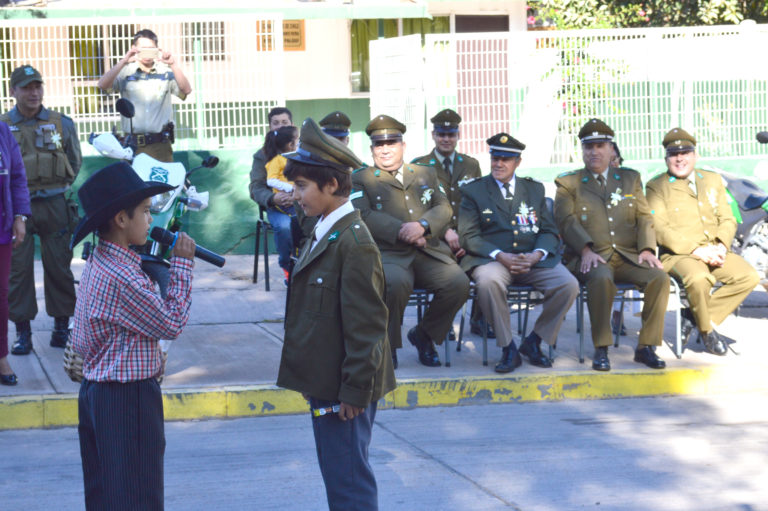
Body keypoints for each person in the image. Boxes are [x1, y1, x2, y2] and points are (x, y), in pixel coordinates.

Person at [277, 118, 395, 510]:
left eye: (302, 186)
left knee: (348, 485)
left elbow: (368, 328)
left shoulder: (354, 242)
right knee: (338, 478)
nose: (295, 195)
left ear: (332, 186)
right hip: (327, 379)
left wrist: (355, 392)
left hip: (345, 388)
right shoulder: (322, 228)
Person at [70, 161, 195, 510]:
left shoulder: (101, 262)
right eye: (144, 211)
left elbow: (81, 341)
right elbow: (170, 322)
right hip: (128, 399)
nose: (150, 220)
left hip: (97, 392)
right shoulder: (123, 277)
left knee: (107, 494)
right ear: (121, 220)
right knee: (138, 495)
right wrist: (182, 265)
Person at [351, 114, 469, 368]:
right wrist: (404, 230)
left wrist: (423, 226)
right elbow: (363, 214)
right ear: (372, 149)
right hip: (389, 253)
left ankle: (425, 335)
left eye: (391, 143)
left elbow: (443, 207)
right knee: (394, 284)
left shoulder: (425, 173)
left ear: (403, 146)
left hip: (427, 251)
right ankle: (388, 344)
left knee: (459, 283)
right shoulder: (361, 178)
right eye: (379, 145)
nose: (385, 150)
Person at [554, 118, 670, 371]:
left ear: (611, 149)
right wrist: (585, 248)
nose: (594, 152)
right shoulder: (569, 183)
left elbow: (643, 216)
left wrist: (648, 249)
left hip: (628, 256)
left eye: (600, 146)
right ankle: (602, 348)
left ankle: (646, 347)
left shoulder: (629, 179)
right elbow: (566, 221)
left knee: (659, 279)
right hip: (591, 256)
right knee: (601, 278)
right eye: (589, 147)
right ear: (582, 151)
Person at [458, 133, 578, 372]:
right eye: (495, 157)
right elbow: (468, 235)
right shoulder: (474, 191)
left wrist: (537, 254)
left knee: (568, 284)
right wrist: (499, 255)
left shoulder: (533, 189)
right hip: (494, 260)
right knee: (488, 282)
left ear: (517, 162)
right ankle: (508, 347)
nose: (498, 163)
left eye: (505, 159)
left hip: (530, 259)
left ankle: (534, 341)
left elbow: (547, 230)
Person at [646, 128, 759, 355]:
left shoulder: (711, 180)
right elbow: (660, 229)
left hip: (714, 250)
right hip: (679, 255)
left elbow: (727, 218)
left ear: (695, 155)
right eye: (673, 154)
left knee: (749, 276)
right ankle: (707, 331)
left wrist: (720, 245)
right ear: (666, 158)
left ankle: (692, 316)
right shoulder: (656, 186)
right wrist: (697, 250)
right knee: (698, 278)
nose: (680, 158)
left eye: (685, 152)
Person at [1, 65, 80, 355]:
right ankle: (23, 333)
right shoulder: (3, 125)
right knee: (17, 270)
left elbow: (74, 161)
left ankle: (61, 328)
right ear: (13, 91)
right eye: (26, 87)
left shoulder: (62, 124)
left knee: (59, 266)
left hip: (55, 203)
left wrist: (56, 186)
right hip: (16, 209)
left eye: (38, 86)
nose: (34, 93)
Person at [411, 109, 486, 339]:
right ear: (433, 135)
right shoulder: (420, 166)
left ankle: (479, 319)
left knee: (486, 261)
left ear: (458, 135)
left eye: (451, 134)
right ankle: (442, 323)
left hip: (465, 237)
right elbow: (418, 208)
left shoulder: (471, 165)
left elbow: (477, 204)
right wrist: (445, 231)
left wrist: (464, 238)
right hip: (435, 238)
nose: (446, 139)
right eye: (442, 134)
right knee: (447, 271)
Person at [97, 29, 192, 163]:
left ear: (157, 49)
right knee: (133, 183)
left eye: (151, 49)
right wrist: (123, 61)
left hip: (160, 147)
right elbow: (102, 85)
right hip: (132, 147)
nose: (147, 53)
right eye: (143, 49)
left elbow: (186, 90)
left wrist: (173, 65)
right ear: (134, 48)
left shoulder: (166, 72)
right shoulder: (125, 72)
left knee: (162, 183)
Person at [0, 120, 32, 385]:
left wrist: (19, 216)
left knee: (0, 297)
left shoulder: (2, 131)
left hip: (1, 229)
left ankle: (0, 357)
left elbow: (18, 176)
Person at [249, 107, 295, 278]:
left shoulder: (301, 150)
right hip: (278, 206)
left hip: (303, 203)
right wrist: (273, 198)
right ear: (269, 127)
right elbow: (256, 187)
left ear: (292, 124)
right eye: (275, 123)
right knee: (284, 226)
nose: (280, 127)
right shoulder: (262, 156)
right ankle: (287, 268)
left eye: (284, 122)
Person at [263, 125, 299, 280]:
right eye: (297, 140)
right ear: (290, 144)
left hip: (297, 201)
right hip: (282, 204)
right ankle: (287, 266)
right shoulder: (277, 161)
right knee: (288, 226)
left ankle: (300, 262)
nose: (299, 143)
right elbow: (270, 180)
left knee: (305, 225)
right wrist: (289, 188)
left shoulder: (297, 158)